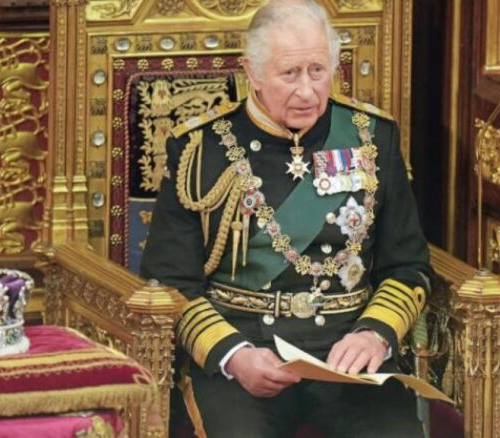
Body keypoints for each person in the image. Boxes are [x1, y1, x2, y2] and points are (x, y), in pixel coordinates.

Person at [141, 0, 432, 436]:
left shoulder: (372, 137)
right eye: (290, 73)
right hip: (244, 352)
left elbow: (407, 265)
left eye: (318, 71)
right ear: (252, 72)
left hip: (348, 354)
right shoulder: (200, 150)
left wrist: (375, 334)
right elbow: (169, 281)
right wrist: (233, 355)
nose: (307, 91)